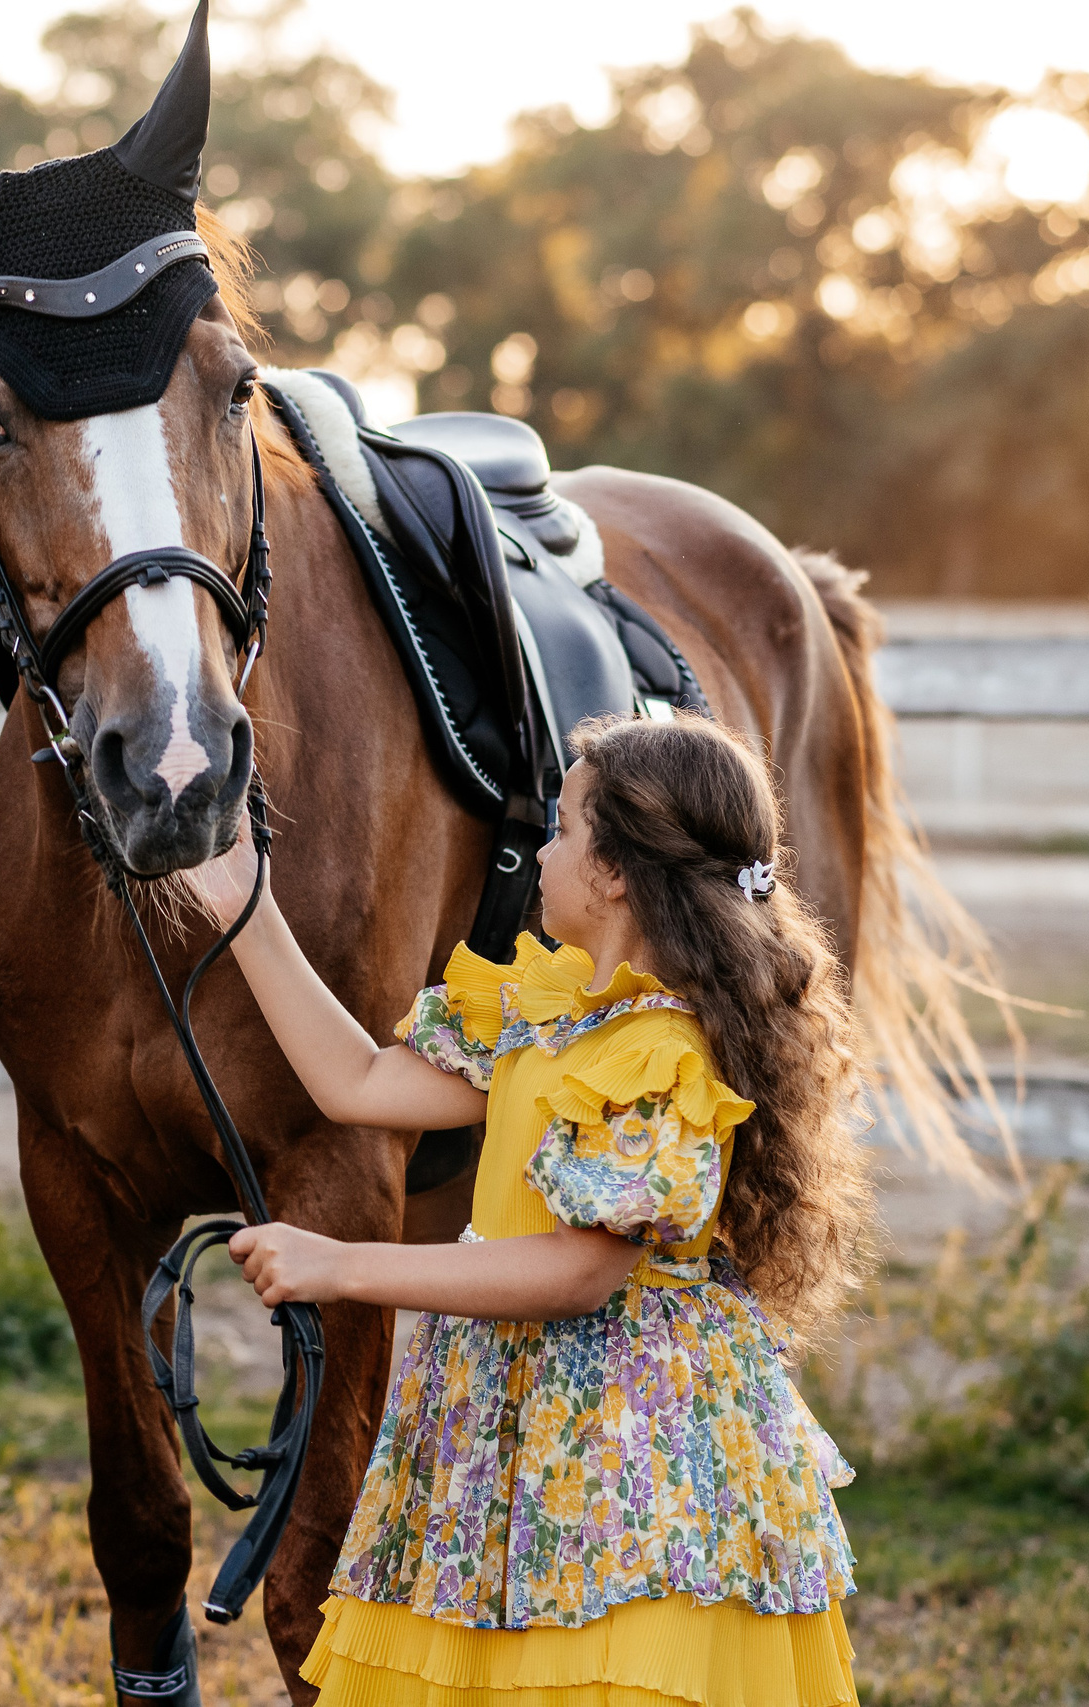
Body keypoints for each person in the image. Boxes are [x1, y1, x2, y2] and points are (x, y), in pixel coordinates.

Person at [189, 713, 869, 1707]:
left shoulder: (658, 1055)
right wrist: (240, 906)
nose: (538, 855)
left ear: (615, 874)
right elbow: (359, 1082)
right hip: (502, 1435)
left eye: (558, 831)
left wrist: (339, 1267)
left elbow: (575, 1271)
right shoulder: (547, 1017)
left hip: (625, 1472)